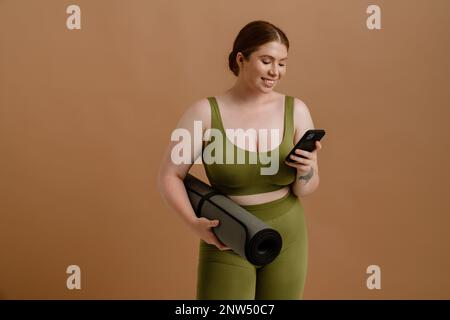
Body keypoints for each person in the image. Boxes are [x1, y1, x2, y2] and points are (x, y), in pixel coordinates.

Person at [158, 20, 322, 300]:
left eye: (282, 63)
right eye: (266, 61)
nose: (275, 72)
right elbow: (169, 175)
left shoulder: (297, 110)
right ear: (241, 59)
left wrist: (307, 170)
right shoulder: (204, 113)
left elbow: (305, 189)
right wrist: (193, 223)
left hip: (289, 234)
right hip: (228, 233)